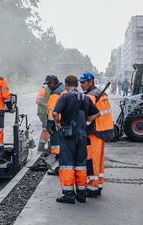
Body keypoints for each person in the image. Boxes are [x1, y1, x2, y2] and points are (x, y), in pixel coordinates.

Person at [52, 75, 100, 204]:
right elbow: (96, 114)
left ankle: (69, 195)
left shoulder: (65, 97)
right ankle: (81, 194)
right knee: (81, 165)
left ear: (67, 85)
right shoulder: (84, 97)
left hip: (68, 136)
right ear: (77, 84)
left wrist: (57, 123)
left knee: (67, 165)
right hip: (82, 135)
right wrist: (86, 122)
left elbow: (55, 113)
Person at [79, 72, 114, 198]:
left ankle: (92, 188)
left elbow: (87, 117)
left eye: (83, 82)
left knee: (92, 161)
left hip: (93, 133)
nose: (81, 85)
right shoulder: (101, 93)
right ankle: (98, 185)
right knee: (98, 162)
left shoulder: (90, 97)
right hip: (103, 131)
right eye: (80, 82)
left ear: (90, 82)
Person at [46, 75, 66, 175]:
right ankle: (60, 165)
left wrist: (49, 124)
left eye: (49, 83)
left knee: (57, 146)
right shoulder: (63, 89)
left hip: (56, 123)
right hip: (63, 122)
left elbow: (52, 110)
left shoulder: (55, 93)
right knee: (62, 145)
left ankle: (58, 167)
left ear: (54, 82)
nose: (48, 86)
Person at [36, 77, 52, 153]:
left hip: (46, 112)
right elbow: (38, 101)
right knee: (48, 128)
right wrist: (48, 106)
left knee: (45, 129)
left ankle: (41, 147)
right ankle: (49, 147)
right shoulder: (44, 89)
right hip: (43, 112)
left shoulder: (50, 90)